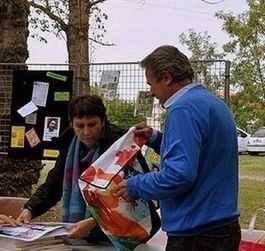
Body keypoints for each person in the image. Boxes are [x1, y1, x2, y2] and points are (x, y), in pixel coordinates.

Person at [114, 45, 241, 251]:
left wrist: (136, 186)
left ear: (166, 77)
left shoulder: (182, 109)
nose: (152, 92)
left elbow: (179, 175)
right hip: (222, 226)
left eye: (151, 84)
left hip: (196, 234)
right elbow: (200, 155)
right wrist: (155, 139)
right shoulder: (212, 103)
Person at [17, 95, 125, 242]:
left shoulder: (119, 144)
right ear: (72, 124)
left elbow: (126, 194)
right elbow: (55, 183)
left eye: (92, 125)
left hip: (119, 231)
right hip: (82, 232)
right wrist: (29, 209)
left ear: (102, 121)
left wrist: (95, 220)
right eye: (80, 126)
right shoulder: (68, 143)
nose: (86, 132)